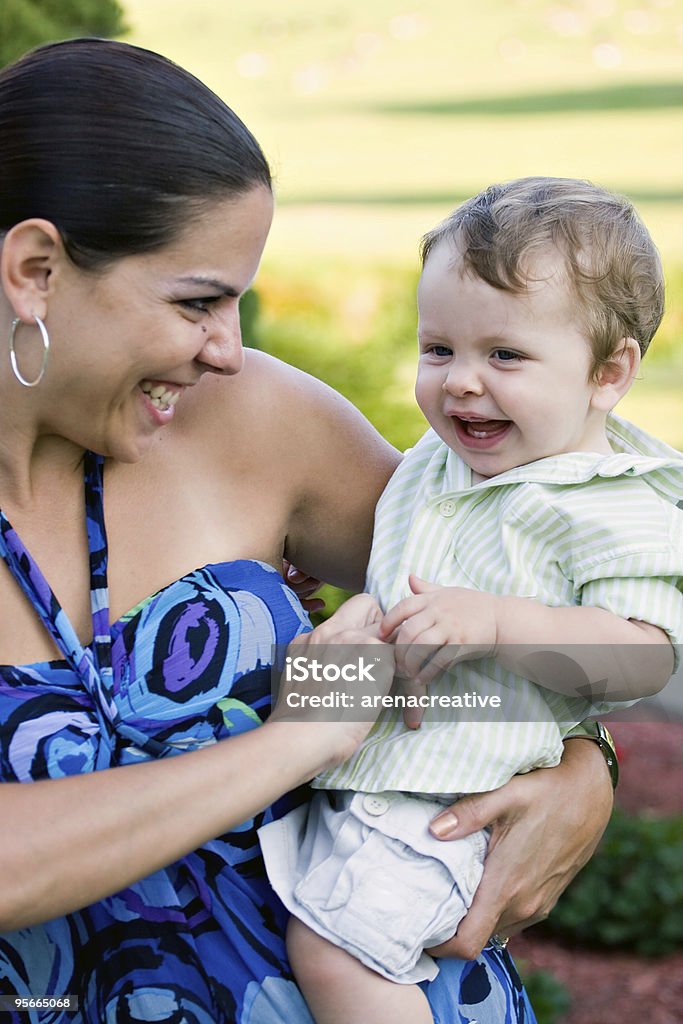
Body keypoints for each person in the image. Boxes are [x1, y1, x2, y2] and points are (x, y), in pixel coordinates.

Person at [0, 38, 615, 1023]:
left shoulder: (258, 423)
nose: (229, 350)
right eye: (197, 300)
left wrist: (585, 767)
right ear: (35, 270)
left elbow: (512, 592)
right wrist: (294, 740)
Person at [259, 177, 683, 1024]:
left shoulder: (610, 503)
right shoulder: (436, 466)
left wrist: (498, 622)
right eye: (438, 349)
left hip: (452, 806)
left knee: (335, 954)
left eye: (504, 356)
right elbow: (400, 578)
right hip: (372, 781)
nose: (459, 384)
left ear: (608, 372)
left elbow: (642, 657)